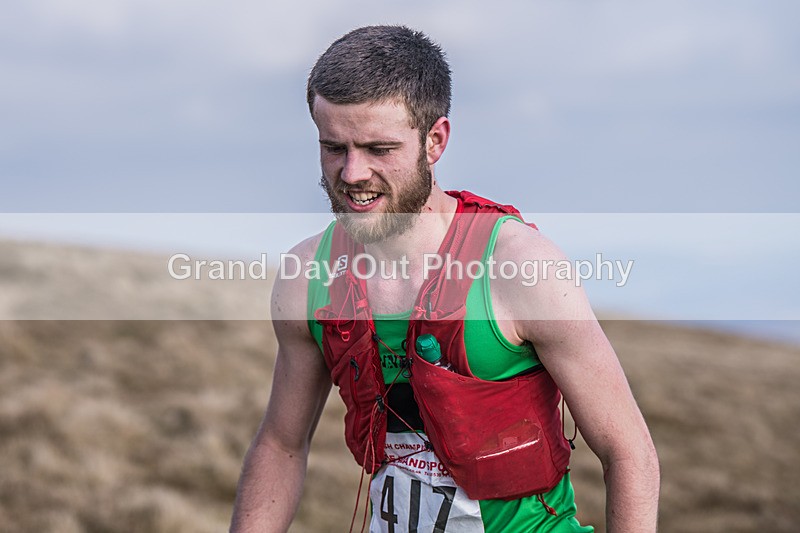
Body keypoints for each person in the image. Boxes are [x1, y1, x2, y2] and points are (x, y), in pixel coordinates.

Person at [230, 25, 659, 533]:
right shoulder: (308, 278)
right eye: (334, 147)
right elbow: (281, 444)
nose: (351, 174)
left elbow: (628, 451)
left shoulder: (521, 267)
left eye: (379, 149)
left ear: (435, 140)